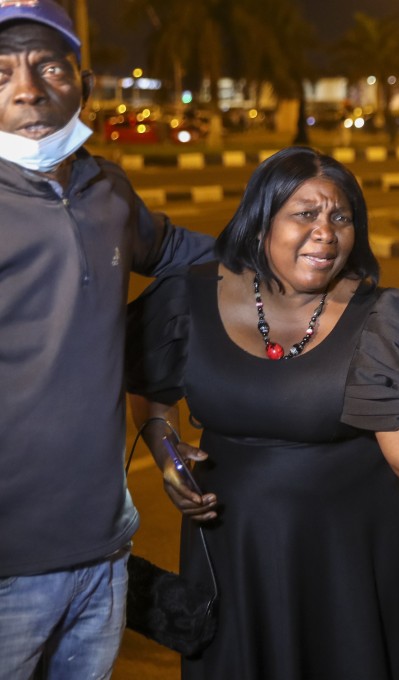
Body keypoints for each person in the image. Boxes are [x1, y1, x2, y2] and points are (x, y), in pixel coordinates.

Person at [125, 147, 399, 679]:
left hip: (352, 556)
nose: (326, 233)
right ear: (261, 220)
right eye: (305, 214)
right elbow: (149, 385)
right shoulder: (189, 298)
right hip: (233, 549)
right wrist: (165, 451)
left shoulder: (380, 320)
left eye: (341, 218)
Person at [0, 2, 215, 678]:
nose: (27, 89)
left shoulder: (107, 189)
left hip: (103, 551)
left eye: (48, 67)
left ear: (84, 86)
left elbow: (174, 251)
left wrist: (282, 249)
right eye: (0, 74)